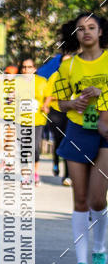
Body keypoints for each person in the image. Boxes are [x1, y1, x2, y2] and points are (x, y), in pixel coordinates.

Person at [51, 11, 108, 264]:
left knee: (98, 199)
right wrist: (72, 104)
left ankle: (100, 251)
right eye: (81, 28)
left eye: (91, 27)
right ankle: (82, 263)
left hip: (105, 131)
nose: (86, 32)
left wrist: (102, 93)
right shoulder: (68, 66)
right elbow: (59, 102)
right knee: (80, 199)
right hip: (77, 131)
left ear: (100, 32)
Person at [40, 21, 79, 185]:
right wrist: (47, 105)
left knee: (70, 141)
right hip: (57, 112)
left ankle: (67, 175)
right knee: (58, 139)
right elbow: (49, 95)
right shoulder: (55, 76)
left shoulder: (77, 74)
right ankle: (56, 162)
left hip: (73, 112)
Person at [18, 56, 50, 185]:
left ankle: (35, 172)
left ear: (34, 69)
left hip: (37, 120)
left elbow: (48, 96)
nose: (26, 70)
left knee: (35, 147)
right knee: (23, 148)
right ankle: (24, 175)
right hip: (21, 120)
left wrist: (45, 105)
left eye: (29, 67)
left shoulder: (42, 81)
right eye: (24, 67)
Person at [0, 64, 18, 168]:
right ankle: (2, 158)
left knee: (10, 139)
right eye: (7, 73)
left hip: (14, 117)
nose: (9, 76)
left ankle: (9, 159)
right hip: (0, 116)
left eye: (12, 74)